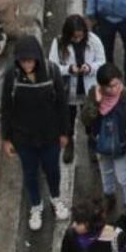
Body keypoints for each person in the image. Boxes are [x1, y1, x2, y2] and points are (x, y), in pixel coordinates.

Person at [0, 36, 72, 232]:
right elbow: (6, 108)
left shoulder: (51, 72)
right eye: (23, 61)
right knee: (30, 172)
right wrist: (6, 138)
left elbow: (62, 105)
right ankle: (36, 205)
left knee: (53, 171)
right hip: (24, 139)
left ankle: (55, 198)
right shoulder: (11, 76)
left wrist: (64, 132)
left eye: (31, 61)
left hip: (50, 136)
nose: (28, 65)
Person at [82, 62, 126, 212]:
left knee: (124, 177)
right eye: (109, 87)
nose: (113, 90)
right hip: (101, 145)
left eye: (116, 84)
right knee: (106, 172)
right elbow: (86, 119)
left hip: (121, 146)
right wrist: (96, 103)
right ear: (101, 86)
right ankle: (109, 196)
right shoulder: (93, 95)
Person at [50, 14, 107, 162]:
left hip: (88, 91)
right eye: (74, 37)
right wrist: (69, 69)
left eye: (80, 36)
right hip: (68, 91)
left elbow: (102, 61)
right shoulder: (58, 43)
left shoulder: (94, 41)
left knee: (91, 119)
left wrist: (90, 68)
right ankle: (69, 145)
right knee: (67, 120)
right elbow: (53, 66)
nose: (77, 40)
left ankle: (92, 143)